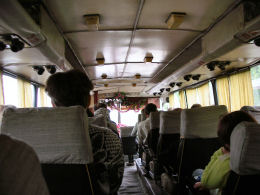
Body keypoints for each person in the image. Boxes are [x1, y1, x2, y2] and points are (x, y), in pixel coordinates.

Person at [45, 69, 124, 195]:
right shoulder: (109, 137)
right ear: (88, 102)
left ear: (53, 103)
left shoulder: (33, 140)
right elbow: (114, 184)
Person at [192, 111, 257, 195]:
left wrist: (221, 152)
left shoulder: (229, 160)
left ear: (226, 141)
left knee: (197, 172)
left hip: (216, 186)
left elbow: (206, 180)